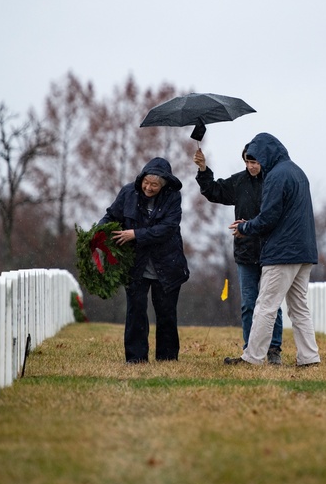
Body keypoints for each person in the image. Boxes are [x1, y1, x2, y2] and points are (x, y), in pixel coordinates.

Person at [222, 133, 321, 367]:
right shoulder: (297, 172)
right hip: (304, 252)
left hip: (282, 253)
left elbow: (269, 217)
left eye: (256, 158)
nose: (254, 163)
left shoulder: (276, 176)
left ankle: (252, 357)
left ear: (267, 154)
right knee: (299, 308)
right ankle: (309, 357)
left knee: (265, 306)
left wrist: (245, 227)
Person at [194, 146, 284, 365]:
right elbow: (213, 191)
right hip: (245, 254)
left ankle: (273, 349)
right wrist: (203, 169)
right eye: (247, 162)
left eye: (254, 162)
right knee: (248, 304)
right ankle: (249, 349)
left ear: (263, 160)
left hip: (271, 252)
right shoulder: (239, 182)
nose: (250, 166)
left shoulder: (274, 181)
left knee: (272, 304)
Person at [98, 157, 189, 363]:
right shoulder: (128, 192)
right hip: (135, 265)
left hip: (167, 265)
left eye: (154, 185)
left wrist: (136, 235)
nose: (149, 187)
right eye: (146, 182)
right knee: (135, 312)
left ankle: (167, 358)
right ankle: (136, 358)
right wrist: (97, 233)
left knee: (166, 313)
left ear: (164, 184)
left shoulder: (173, 198)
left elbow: (167, 228)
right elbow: (112, 216)